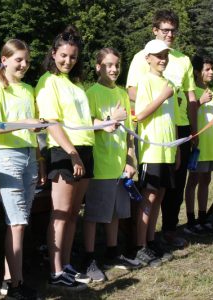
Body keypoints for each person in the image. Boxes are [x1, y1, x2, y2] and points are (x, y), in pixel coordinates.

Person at [126, 9, 197, 248]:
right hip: (152, 133)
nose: (169, 34)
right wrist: (160, 97)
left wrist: (193, 131)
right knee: (150, 190)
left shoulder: (183, 59)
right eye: (164, 30)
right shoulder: (141, 57)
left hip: (178, 128)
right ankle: (141, 240)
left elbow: (191, 97)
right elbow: (133, 91)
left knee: (172, 185)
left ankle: (166, 231)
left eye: (173, 30)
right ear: (155, 30)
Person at [0, 39, 46, 299]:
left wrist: (39, 160)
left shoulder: (29, 89)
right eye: (18, 59)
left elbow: (34, 131)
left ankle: (9, 279)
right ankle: (16, 285)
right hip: (7, 156)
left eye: (27, 60)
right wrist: (24, 123)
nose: (23, 64)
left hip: (29, 158)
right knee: (18, 222)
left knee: (18, 222)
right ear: (4, 60)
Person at [35, 25, 93, 290]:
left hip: (84, 150)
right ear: (53, 53)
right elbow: (52, 123)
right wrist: (72, 154)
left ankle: (66, 265)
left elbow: (81, 120)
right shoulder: (48, 82)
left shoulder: (75, 83)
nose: (68, 61)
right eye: (63, 55)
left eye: (72, 56)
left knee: (72, 215)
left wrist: (105, 123)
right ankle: (56, 272)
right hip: (64, 152)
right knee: (59, 214)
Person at [83, 48, 141, 282]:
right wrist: (109, 120)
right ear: (98, 67)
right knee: (95, 214)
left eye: (117, 64)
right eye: (108, 65)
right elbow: (86, 124)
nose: (114, 69)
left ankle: (112, 252)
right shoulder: (91, 93)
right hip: (100, 165)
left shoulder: (122, 93)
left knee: (116, 212)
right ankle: (88, 259)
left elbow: (128, 132)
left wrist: (130, 158)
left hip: (119, 167)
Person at [133, 39, 179, 267]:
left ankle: (151, 241)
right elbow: (139, 115)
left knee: (159, 196)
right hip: (152, 151)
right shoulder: (145, 81)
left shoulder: (169, 82)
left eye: (165, 55)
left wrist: (177, 149)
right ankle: (140, 245)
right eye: (158, 55)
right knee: (148, 199)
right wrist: (162, 97)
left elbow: (171, 120)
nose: (163, 59)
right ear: (147, 58)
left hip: (167, 151)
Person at [184, 55, 213, 235]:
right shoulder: (191, 93)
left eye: (211, 68)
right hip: (197, 147)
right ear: (198, 72)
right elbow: (186, 113)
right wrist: (199, 102)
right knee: (193, 181)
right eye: (207, 69)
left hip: (211, 147)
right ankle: (190, 220)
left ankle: (202, 217)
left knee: (206, 180)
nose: (211, 72)